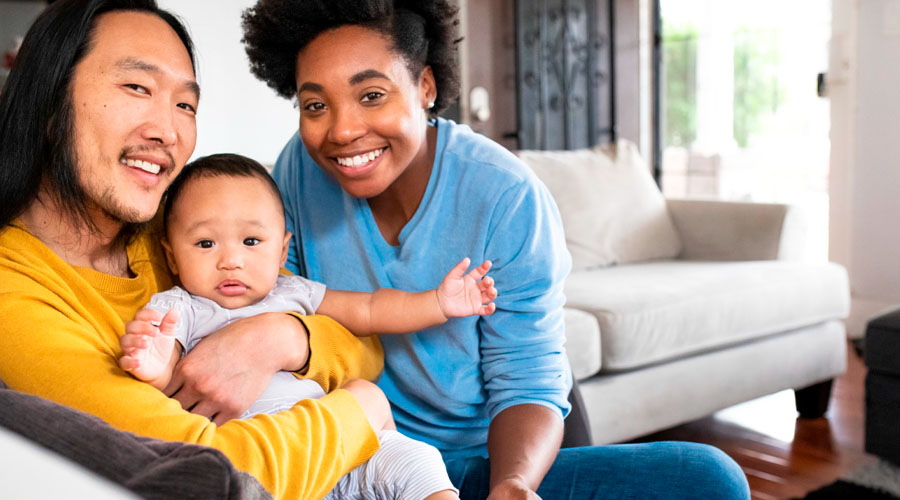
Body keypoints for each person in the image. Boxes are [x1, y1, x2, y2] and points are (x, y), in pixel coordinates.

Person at [238, 1, 753, 499]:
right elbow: (289, 304)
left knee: (708, 479)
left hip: (478, 462)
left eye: (371, 95)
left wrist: (513, 485)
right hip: (361, 460)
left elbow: (527, 377)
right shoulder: (297, 174)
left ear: (425, 86)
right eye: (315, 105)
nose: (342, 130)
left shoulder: (505, 195)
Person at [0, 1, 406, 499]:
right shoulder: (14, 293)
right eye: (136, 87)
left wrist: (278, 338)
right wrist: (361, 409)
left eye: (185, 105)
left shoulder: (177, 226)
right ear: (49, 100)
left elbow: (362, 345)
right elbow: (212, 474)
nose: (168, 132)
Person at [121, 153, 498, 499]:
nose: (231, 260)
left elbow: (369, 309)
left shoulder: (293, 291)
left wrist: (436, 303)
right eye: (205, 243)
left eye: (251, 240)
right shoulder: (180, 307)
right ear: (172, 255)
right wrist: (152, 365)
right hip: (274, 466)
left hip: (341, 450)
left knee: (418, 460)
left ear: (283, 251)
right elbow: (167, 376)